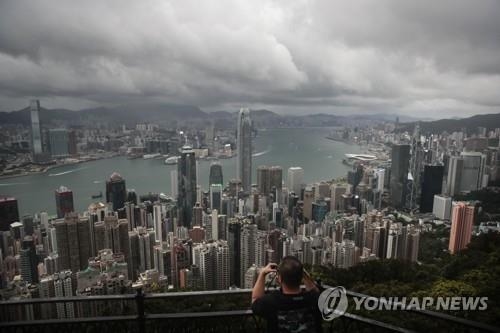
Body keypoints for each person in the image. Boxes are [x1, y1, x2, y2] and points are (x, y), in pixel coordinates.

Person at [251, 256, 322, 333]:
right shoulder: (314, 299)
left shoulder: (272, 301)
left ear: (280, 279)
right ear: (301, 277)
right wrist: (303, 274)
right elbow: (315, 291)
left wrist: (262, 273)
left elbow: (255, 299)